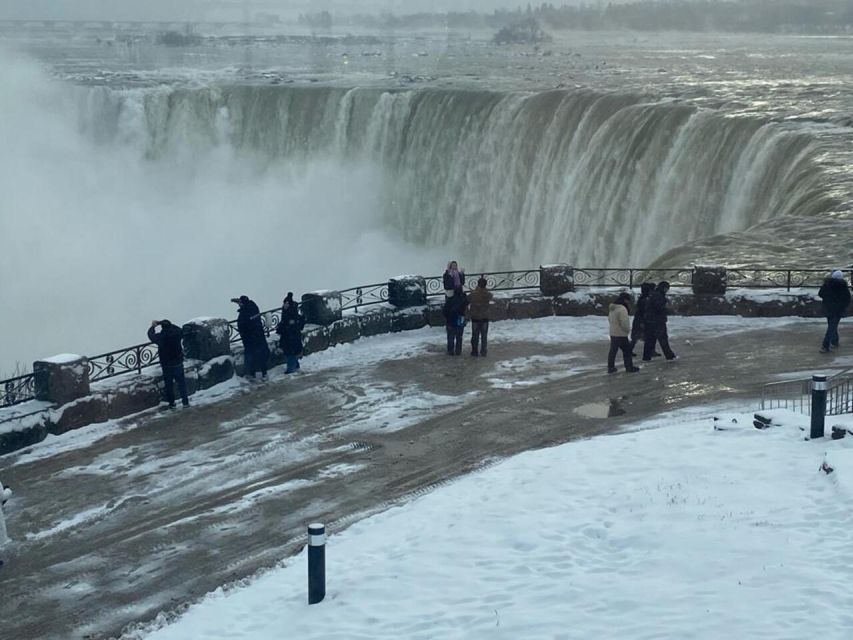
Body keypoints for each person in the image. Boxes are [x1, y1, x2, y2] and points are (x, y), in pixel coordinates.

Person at [147, 319, 189, 408]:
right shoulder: (177, 333)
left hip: (167, 364)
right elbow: (179, 329)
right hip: (178, 362)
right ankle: (185, 402)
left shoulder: (162, 337)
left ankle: (172, 404)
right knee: (181, 383)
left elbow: (151, 336)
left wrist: (153, 326)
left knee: (169, 385)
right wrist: (168, 323)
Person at [232, 295, 270, 380]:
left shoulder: (246, 312)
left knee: (255, 358)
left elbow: (246, 324)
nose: (239, 305)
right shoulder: (253, 308)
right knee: (260, 356)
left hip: (251, 339)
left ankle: (258, 377)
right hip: (258, 337)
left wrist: (244, 333)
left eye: (240, 303)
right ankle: (263, 374)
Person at [817, 270, 852, 353]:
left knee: (831, 326)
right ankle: (825, 345)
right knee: (832, 327)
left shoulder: (827, 284)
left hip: (828, 308)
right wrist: (842, 307)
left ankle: (834, 341)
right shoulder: (843, 286)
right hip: (838, 310)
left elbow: (820, 293)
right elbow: (847, 299)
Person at [643, 281, 677, 361]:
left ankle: (646, 357)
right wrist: (667, 309)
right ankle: (670, 356)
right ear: (664, 288)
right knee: (663, 338)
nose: (667, 290)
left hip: (650, 320)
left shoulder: (654, 294)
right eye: (666, 288)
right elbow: (659, 308)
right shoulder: (658, 296)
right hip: (657, 321)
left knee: (650, 339)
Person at [608, 292, 640, 373]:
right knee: (627, 351)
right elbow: (624, 322)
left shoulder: (613, 308)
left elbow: (609, 319)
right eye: (628, 300)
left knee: (613, 351)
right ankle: (629, 367)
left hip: (613, 333)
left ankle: (611, 367)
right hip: (621, 334)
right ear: (625, 300)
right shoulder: (622, 309)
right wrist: (627, 330)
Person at [276, 292, 306, 373]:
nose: (284, 305)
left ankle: (291, 369)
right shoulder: (290, 311)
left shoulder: (291, 313)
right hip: (290, 335)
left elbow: (290, 324)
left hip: (291, 336)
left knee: (290, 352)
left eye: (286, 304)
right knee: (291, 352)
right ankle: (296, 366)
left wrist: (285, 327)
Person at [467, 276, 493, 357]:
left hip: (475, 318)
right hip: (485, 317)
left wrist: (476, 290)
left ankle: (474, 351)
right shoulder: (488, 294)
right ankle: (483, 351)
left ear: (478, 284)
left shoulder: (473, 294)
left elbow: (468, 299)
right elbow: (490, 296)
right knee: (484, 336)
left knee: (475, 336)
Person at [630, 282, 655, 356]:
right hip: (642, 320)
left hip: (641, 320)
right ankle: (629, 350)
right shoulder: (645, 299)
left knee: (638, 337)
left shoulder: (643, 298)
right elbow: (642, 311)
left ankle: (629, 350)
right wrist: (642, 322)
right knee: (639, 337)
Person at [443, 286, 469, 356]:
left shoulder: (450, 300)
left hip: (450, 321)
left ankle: (450, 351)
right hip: (460, 320)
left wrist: (446, 319)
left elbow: (445, 311)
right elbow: (467, 310)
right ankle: (458, 351)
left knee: (450, 336)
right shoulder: (464, 301)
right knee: (459, 337)